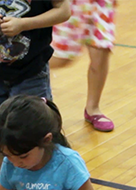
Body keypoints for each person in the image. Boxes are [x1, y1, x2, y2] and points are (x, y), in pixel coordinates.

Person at [0, 0, 71, 190]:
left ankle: (35, 186)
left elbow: (63, 11)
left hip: (31, 70)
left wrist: (25, 24)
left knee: (30, 131)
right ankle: (6, 184)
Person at [50, 0, 116, 132]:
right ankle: (17, 80)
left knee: (102, 49)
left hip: (100, 4)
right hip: (72, 3)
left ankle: (93, 109)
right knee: (62, 57)